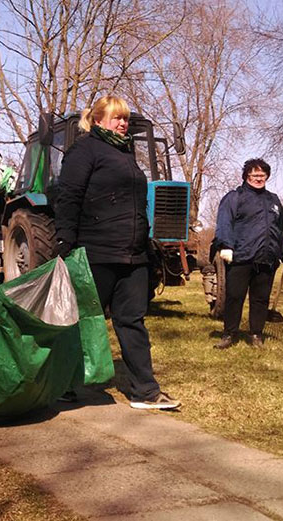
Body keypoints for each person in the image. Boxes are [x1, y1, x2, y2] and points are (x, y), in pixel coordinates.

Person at [54, 95, 180, 410]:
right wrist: (64, 240)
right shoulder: (83, 151)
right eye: (116, 117)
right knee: (81, 320)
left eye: (125, 118)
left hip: (133, 254)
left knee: (132, 320)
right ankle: (64, 385)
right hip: (96, 251)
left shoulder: (126, 153)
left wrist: (146, 246)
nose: (123, 123)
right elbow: (69, 196)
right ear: (97, 120)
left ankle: (145, 391)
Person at [213, 158, 283, 349]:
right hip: (241, 257)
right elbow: (224, 221)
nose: (259, 178)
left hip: (266, 258)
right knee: (235, 297)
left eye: (262, 175)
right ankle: (229, 334)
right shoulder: (235, 197)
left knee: (260, 299)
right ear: (246, 176)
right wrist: (225, 245)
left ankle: (256, 334)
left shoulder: (273, 201)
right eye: (255, 175)